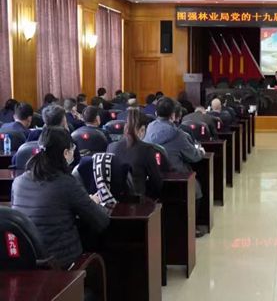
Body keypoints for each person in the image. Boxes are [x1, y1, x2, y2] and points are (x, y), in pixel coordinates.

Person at [11, 126, 109, 268]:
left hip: (29, 264)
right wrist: (94, 203)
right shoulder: (66, 183)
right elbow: (101, 221)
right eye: (72, 148)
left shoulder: (18, 181)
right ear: (65, 153)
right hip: (62, 265)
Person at [144, 97, 205, 237]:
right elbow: (194, 157)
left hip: (152, 176)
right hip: (176, 177)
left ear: (156, 113)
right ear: (173, 115)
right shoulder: (178, 134)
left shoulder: (149, 127)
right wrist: (200, 151)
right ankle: (192, 227)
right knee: (196, 189)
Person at [107, 109, 163, 199]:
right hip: (137, 201)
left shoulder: (111, 147)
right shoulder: (147, 149)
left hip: (115, 201)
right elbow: (156, 182)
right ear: (142, 129)